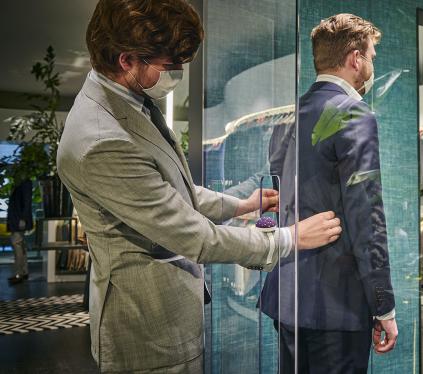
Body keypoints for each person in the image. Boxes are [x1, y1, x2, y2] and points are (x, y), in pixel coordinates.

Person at [57, 0, 341, 372]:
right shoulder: (102, 140)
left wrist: (241, 204)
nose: (177, 74)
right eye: (170, 66)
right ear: (127, 60)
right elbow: (196, 238)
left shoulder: (127, 97)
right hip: (148, 329)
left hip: (168, 313)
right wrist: (289, 238)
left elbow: (168, 188)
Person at [259, 13, 397, 373]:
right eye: (372, 57)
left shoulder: (287, 118)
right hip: (336, 305)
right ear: (356, 59)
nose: (372, 65)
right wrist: (383, 305)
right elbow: (367, 218)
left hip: (286, 297)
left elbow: (273, 199)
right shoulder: (353, 114)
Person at [6, 178, 32, 285]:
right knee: (20, 247)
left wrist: (23, 219)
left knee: (18, 247)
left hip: (18, 222)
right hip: (17, 221)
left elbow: (27, 202)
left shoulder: (24, 183)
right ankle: (24, 272)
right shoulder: (20, 183)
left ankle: (19, 274)